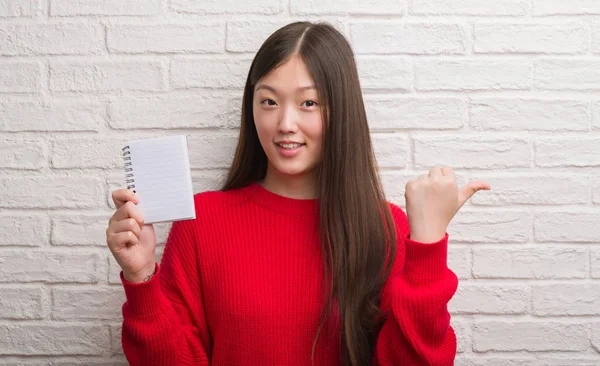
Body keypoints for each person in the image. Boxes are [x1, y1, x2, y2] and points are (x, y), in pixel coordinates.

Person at [105, 21, 490, 366]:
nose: (285, 124)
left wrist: (427, 245)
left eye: (309, 103)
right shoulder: (201, 223)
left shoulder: (387, 227)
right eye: (269, 102)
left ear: (340, 111)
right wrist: (140, 277)